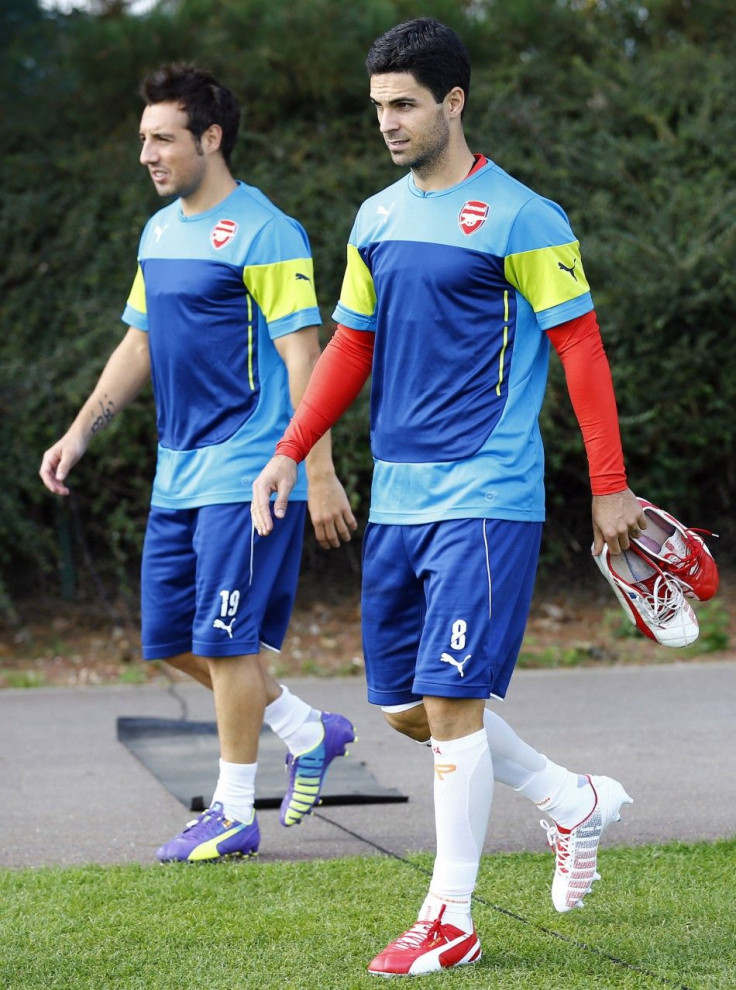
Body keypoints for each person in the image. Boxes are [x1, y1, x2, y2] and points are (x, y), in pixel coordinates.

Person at [250, 17, 652, 977]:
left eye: (405, 104)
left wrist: (609, 488)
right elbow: (351, 346)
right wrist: (294, 448)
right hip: (399, 498)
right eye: (379, 104)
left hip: (488, 492)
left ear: (453, 103)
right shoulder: (377, 218)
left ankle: (451, 913)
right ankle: (569, 798)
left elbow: (581, 352)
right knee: (403, 709)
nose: (387, 121)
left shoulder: (525, 215)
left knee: (451, 696)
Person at [39, 63, 358, 863]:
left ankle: (231, 811)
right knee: (171, 639)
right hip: (176, 473)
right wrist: (81, 432)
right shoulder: (158, 233)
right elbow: (137, 343)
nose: (146, 153)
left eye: (162, 139)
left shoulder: (267, 231)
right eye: (143, 139)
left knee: (224, 642)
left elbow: (303, 359)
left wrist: (316, 470)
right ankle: (305, 728)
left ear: (210, 138)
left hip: (253, 472)